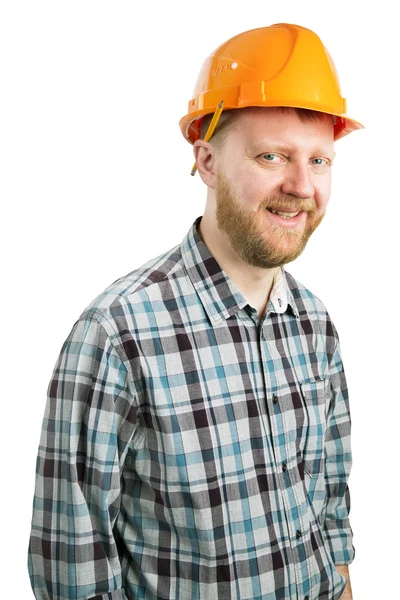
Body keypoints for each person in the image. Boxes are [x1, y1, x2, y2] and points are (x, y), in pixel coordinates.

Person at [27, 23, 363, 600]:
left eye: (320, 160)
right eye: (272, 155)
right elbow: (71, 567)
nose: (301, 185)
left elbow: (330, 512)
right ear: (206, 161)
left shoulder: (315, 323)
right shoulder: (117, 333)